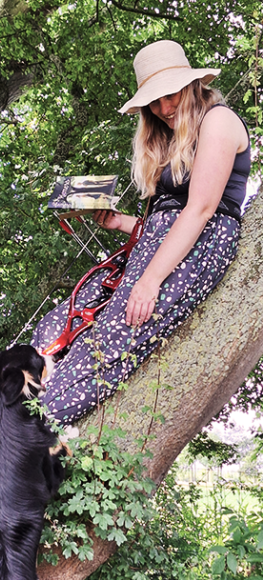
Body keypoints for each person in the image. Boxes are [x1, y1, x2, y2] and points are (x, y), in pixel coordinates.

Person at [31, 39, 251, 426]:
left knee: (110, 342)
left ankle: (20, 437)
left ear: (193, 84)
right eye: (155, 101)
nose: (164, 109)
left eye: (171, 95)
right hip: (159, 244)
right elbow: (167, 219)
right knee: (60, 324)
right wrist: (121, 223)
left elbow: (199, 210)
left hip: (196, 247)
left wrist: (150, 281)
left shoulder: (218, 120)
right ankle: (10, 413)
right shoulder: (168, 136)